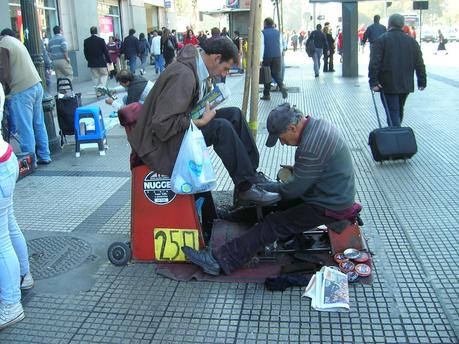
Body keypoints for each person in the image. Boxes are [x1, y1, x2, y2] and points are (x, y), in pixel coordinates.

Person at [182, 102, 357, 276]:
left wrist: (264, 186)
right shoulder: (317, 127)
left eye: (281, 137)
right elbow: (317, 170)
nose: (281, 143)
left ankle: (219, 260)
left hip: (329, 205)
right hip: (325, 193)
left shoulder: (311, 145)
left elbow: (292, 190)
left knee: (274, 224)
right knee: (272, 202)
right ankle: (230, 216)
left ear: (292, 127)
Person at [128, 38, 280, 206]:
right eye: (225, 69)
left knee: (233, 114)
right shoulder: (183, 75)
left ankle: (252, 177)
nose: (224, 74)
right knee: (221, 128)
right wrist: (199, 122)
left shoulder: (194, 68)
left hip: (171, 134)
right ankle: (245, 188)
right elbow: (162, 125)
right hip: (159, 146)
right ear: (216, 58)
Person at [0, 82, 34, 330]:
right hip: (5, 158)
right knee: (8, 225)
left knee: (1, 240)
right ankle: (24, 276)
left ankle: (11, 304)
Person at [0, 28, 51, 165]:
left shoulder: (3, 45)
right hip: (36, 84)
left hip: (22, 89)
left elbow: (2, 72)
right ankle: (45, 155)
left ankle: (30, 161)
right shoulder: (16, 42)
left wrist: (2, 91)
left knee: (25, 127)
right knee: (38, 123)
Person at [369, 13, 427, 127]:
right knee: (399, 109)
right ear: (402, 25)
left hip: (387, 83)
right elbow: (419, 63)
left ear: (389, 24)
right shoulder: (412, 42)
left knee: (392, 111)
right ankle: (397, 132)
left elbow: (374, 63)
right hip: (406, 83)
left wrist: (374, 82)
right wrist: (422, 81)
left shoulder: (381, 40)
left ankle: (396, 136)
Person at [261, 17, 288, 100]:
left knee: (266, 75)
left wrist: (260, 59)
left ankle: (267, 94)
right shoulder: (278, 33)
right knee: (275, 74)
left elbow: (262, 45)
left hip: (267, 56)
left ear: (265, 24)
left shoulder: (262, 33)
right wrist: (279, 54)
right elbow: (281, 44)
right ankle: (281, 85)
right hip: (277, 56)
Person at [83, 26, 111, 94]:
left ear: (90, 32)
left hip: (92, 63)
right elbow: (105, 51)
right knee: (104, 75)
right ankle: (101, 87)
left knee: (95, 77)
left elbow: (85, 52)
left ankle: (97, 92)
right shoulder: (101, 40)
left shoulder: (86, 41)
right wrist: (109, 60)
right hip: (101, 62)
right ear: (96, 32)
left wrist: (88, 59)